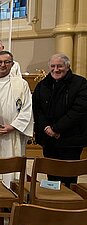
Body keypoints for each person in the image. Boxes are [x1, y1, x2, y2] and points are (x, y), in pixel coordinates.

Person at [33, 53, 87, 187]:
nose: (56, 69)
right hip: (49, 139)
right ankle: (52, 200)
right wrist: (47, 128)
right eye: (53, 66)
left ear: (67, 67)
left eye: (60, 66)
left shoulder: (80, 83)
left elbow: (78, 110)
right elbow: (37, 109)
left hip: (70, 139)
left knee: (69, 176)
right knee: (51, 175)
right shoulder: (42, 85)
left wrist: (57, 128)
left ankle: (68, 202)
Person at [0, 51, 33, 187]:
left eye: (6, 62)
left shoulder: (21, 84)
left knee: (12, 169)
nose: (2, 65)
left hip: (13, 133)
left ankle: (12, 199)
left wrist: (12, 126)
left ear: (12, 64)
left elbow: (27, 109)